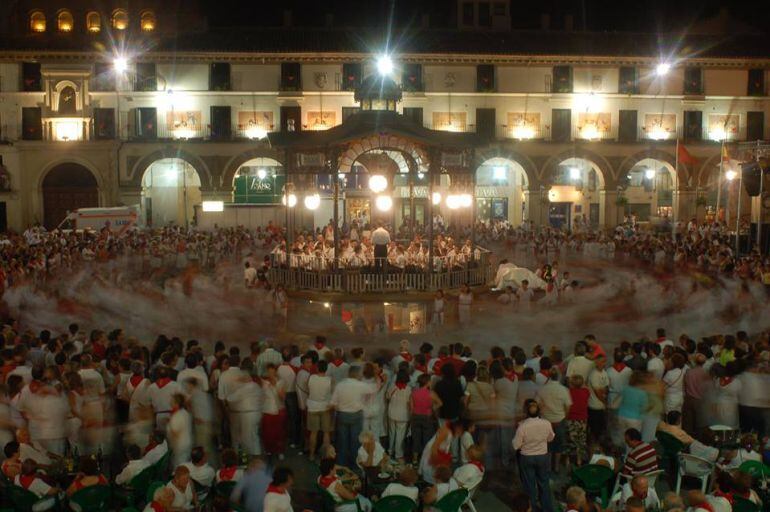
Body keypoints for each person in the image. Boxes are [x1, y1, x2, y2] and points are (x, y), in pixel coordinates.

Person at [330, 366, 378, 469]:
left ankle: (341, 463)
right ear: (357, 374)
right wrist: (377, 376)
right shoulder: (360, 385)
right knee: (355, 441)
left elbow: (333, 403)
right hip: (356, 415)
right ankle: (355, 464)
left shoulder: (340, 385)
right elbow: (374, 389)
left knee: (342, 441)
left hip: (342, 415)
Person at [512, 400, 555, 512]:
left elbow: (516, 445)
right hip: (542, 456)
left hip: (527, 457)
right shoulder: (546, 423)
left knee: (529, 486)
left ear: (526, 412)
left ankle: (532, 508)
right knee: (544, 484)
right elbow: (551, 438)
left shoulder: (522, 426)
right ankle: (547, 508)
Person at [307, 360, 333, 462]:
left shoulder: (312, 378)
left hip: (313, 407)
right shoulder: (329, 380)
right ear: (326, 369)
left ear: (317, 368)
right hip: (325, 407)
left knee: (314, 433)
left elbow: (308, 389)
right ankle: (326, 455)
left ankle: (311, 455)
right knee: (326, 433)